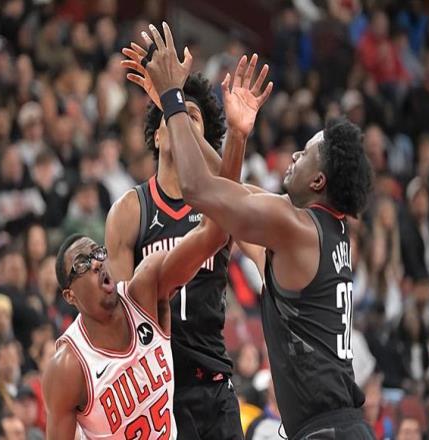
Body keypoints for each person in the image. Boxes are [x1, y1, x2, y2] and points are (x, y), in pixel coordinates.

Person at [139, 22, 374, 439]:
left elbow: (198, 190)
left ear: (318, 181)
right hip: (337, 426)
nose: (295, 154)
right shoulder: (322, 233)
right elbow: (233, 199)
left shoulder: (294, 225)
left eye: (307, 153)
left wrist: (174, 99)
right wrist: (230, 134)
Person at [111, 43, 271, 438]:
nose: (179, 120)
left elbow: (255, 224)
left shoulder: (220, 211)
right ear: (157, 135)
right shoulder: (131, 210)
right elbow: (120, 317)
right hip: (158, 387)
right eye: (172, 115)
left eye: (190, 118)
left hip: (214, 384)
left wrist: (232, 133)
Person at [42, 191, 231, 437]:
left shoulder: (145, 292)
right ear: (70, 296)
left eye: (97, 253)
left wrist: (224, 167)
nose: (96, 263)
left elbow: (213, 235)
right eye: (82, 264)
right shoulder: (68, 367)